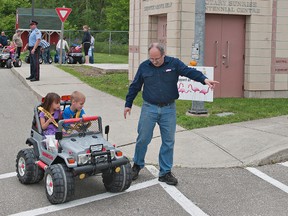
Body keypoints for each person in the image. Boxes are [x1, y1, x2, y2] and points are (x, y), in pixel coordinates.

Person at [124, 42, 219, 186]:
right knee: (143, 138)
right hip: (149, 108)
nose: (154, 62)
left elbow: (189, 71)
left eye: (157, 59)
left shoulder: (174, 63)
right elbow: (135, 85)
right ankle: (137, 165)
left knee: (168, 142)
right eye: (152, 59)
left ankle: (165, 172)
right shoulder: (144, 66)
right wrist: (128, 104)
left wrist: (204, 80)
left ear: (163, 55)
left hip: (168, 109)